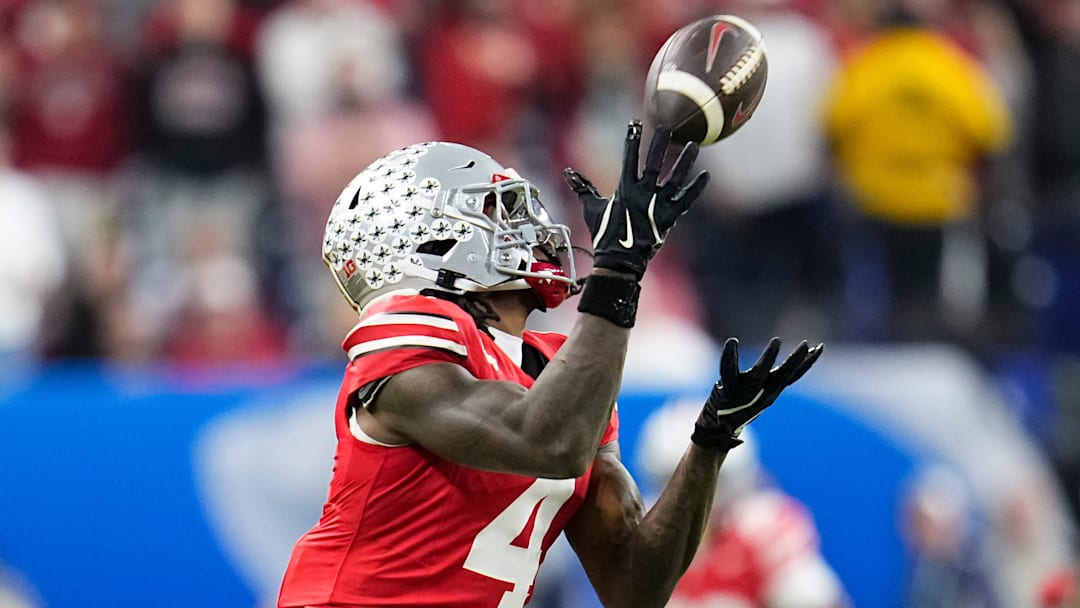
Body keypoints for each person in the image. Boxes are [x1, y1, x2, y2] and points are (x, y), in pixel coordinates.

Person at [276, 120, 824, 607]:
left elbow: (633, 588)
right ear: (428, 240)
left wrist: (710, 440)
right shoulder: (407, 328)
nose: (529, 227)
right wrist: (617, 272)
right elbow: (545, 440)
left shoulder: (556, 366)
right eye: (495, 213)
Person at [638, 403, 848, 608]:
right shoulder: (642, 530)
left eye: (711, 479)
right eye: (673, 479)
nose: (692, 495)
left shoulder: (764, 529)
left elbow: (814, 600)